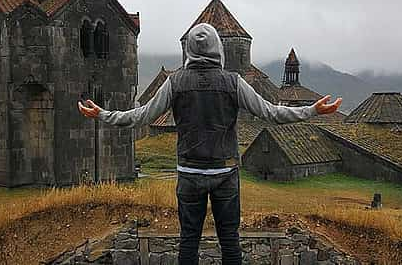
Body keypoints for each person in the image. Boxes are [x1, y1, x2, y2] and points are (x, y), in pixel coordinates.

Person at [78, 23, 342, 265]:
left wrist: (102, 114)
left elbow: (141, 115)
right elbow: (271, 113)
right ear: (219, 48)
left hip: (189, 173)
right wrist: (312, 110)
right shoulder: (233, 82)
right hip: (225, 172)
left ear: (189, 50)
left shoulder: (175, 82)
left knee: (189, 241)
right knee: (229, 241)